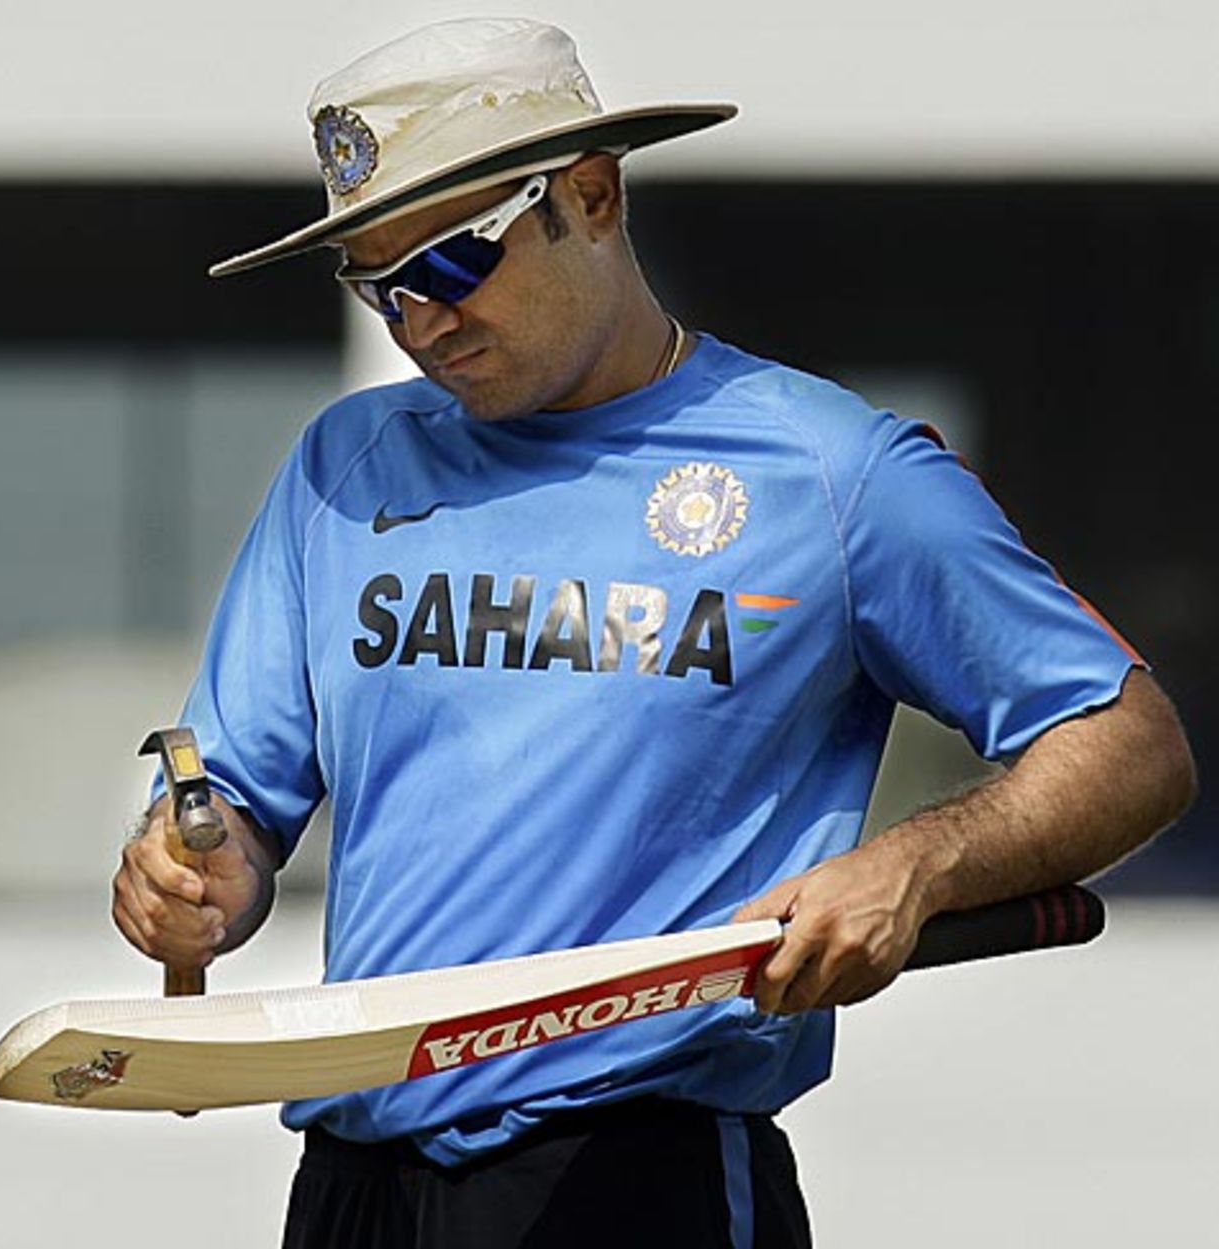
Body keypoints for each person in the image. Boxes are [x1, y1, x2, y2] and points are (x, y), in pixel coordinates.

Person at [111, 17, 1196, 1248]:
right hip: (353, 1181)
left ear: (590, 193)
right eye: (379, 283)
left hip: (642, 1177)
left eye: (454, 262)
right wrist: (190, 880)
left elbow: (1130, 745)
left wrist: (912, 866)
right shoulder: (340, 466)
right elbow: (234, 810)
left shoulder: (832, 471)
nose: (422, 323)